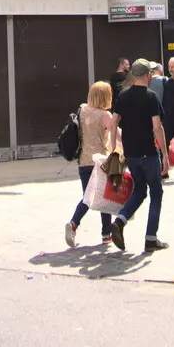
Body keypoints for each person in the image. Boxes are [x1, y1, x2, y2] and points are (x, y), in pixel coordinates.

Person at [107, 59, 169, 253]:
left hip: (131, 153)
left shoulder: (123, 96)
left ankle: (119, 221)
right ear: (148, 75)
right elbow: (157, 127)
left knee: (140, 190)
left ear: (133, 75)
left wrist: (113, 149)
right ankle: (151, 238)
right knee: (156, 192)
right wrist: (165, 154)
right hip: (148, 152)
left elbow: (113, 122)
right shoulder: (151, 97)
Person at [65, 80, 117, 247]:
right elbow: (116, 135)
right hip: (101, 160)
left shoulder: (82, 110)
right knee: (104, 198)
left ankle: (73, 223)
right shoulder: (105, 115)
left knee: (88, 197)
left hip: (83, 161)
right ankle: (106, 234)